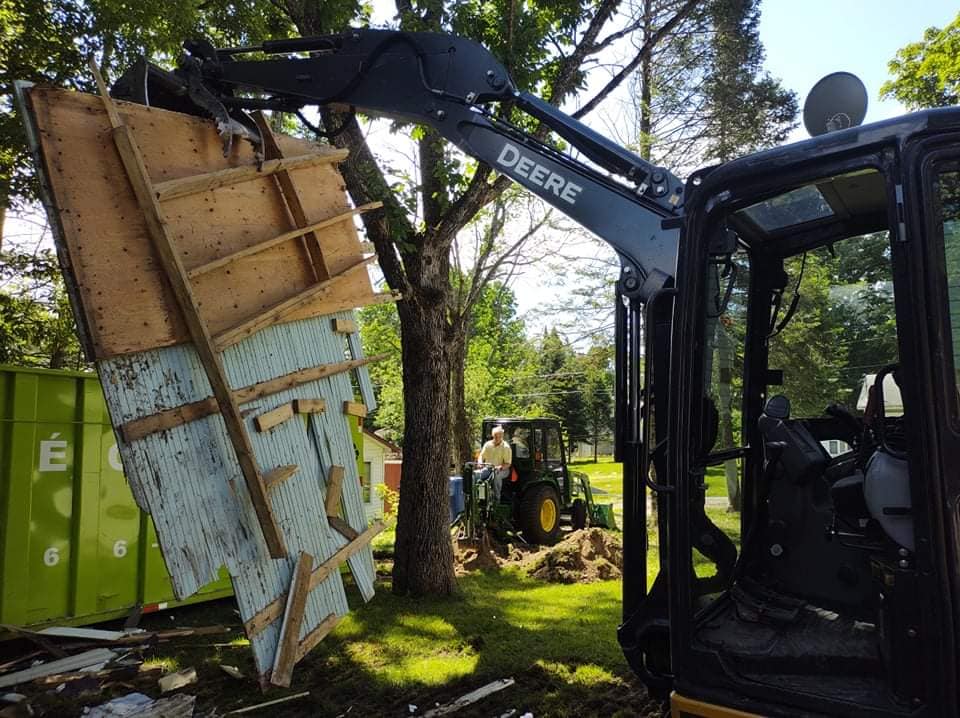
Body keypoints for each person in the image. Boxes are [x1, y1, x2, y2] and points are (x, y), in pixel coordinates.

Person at [478, 425, 512, 504]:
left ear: (502, 436)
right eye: (496, 436)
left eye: (499, 436)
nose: (497, 438)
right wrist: (480, 462)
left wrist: (500, 467)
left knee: (496, 476)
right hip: (489, 468)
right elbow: (481, 456)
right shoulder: (488, 445)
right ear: (493, 436)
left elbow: (508, 464)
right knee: (478, 476)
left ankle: (497, 500)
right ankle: (480, 498)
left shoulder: (506, 447)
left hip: (503, 470)